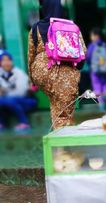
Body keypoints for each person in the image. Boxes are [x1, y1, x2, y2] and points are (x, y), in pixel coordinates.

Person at [27, 0, 86, 129]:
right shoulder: (72, 26)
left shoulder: (35, 27)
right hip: (66, 74)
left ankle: (62, 144)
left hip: (42, 72)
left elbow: (30, 56)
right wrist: (77, 69)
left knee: (56, 104)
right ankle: (63, 146)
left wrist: (32, 79)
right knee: (64, 114)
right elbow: (83, 52)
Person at [0, 51, 36, 132]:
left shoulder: (19, 73)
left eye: (8, 60)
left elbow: (21, 92)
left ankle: (25, 122)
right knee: (5, 101)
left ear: (12, 61)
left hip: (26, 101)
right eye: (3, 60)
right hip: (10, 104)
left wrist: (4, 93)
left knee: (9, 100)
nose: (6, 63)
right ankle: (2, 123)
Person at [86, 27, 106, 111]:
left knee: (97, 87)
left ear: (96, 36)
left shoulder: (91, 46)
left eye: (92, 35)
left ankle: (101, 105)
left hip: (95, 71)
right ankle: (105, 101)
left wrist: (91, 66)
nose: (91, 37)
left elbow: (88, 58)